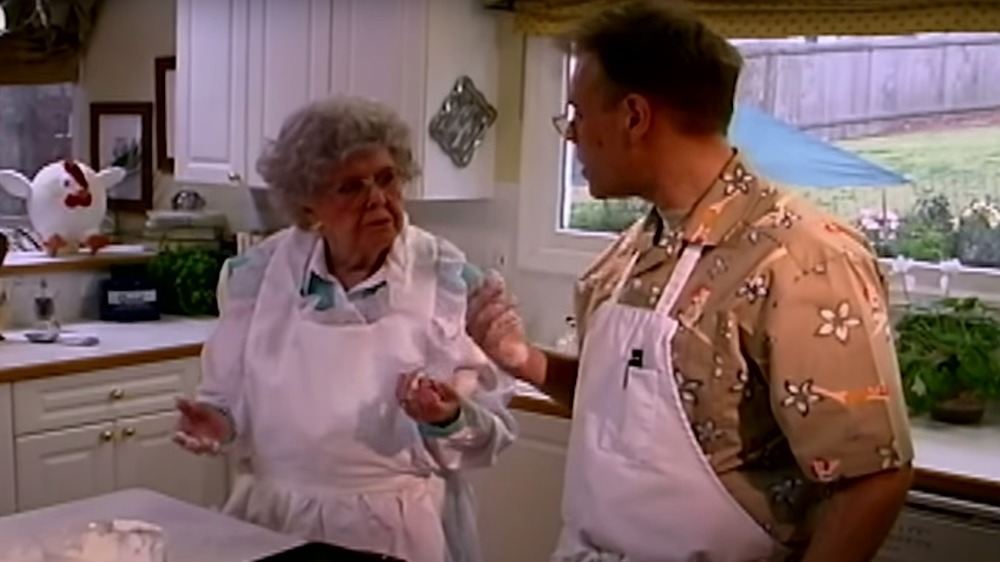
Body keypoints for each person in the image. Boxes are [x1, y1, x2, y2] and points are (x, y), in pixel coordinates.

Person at [467, 2, 913, 561]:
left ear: (634, 116)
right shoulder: (632, 253)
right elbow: (620, 409)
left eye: (578, 114)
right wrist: (520, 358)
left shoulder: (801, 259)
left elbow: (871, 477)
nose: (571, 134)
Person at [174, 95, 517, 562]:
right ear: (308, 205)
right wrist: (218, 423)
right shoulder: (256, 279)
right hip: (275, 521)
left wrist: (448, 418)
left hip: (399, 530)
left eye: (386, 178)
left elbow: (492, 433)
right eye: (350, 187)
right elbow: (228, 402)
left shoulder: (452, 282)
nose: (377, 198)